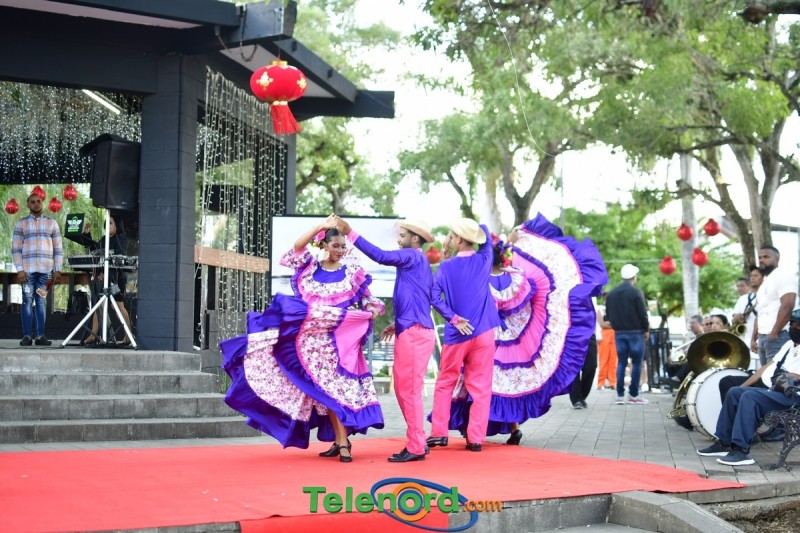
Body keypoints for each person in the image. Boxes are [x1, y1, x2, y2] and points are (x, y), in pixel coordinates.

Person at [219, 215, 384, 463]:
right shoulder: (309, 268)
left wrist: (371, 310)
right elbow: (297, 247)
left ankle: (342, 442)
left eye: (343, 246)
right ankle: (341, 442)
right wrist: (319, 227)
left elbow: (368, 299)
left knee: (333, 392)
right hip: (308, 345)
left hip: (337, 346)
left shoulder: (352, 273)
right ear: (324, 245)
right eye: (335, 245)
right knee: (323, 394)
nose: (340, 250)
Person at [436, 215, 606, 444]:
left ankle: (469, 431)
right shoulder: (515, 278)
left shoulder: (478, 277)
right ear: (503, 257)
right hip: (510, 339)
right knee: (502, 385)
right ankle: (509, 429)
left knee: (472, 381)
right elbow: (524, 302)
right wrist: (511, 239)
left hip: (482, 333)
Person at [337, 216, 436, 463]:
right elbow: (419, 298)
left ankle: (416, 446)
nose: (399, 240)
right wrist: (398, 324)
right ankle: (418, 442)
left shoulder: (411, 256)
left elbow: (380, 256)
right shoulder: (419, 261)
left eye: (402, 236)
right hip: (412, 329)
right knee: (406, 391)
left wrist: (350, 232)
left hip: (414, 333)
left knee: (408, 391)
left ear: (415, 239)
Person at [427, 218, 500, 452]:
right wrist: (474, 227)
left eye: (452, 236)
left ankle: (439, 433)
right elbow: (486, 235)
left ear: (458, 239)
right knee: (480, 386)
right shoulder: (485, 259)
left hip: (457, 334)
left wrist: (453, 318)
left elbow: (434, 297)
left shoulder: (445, 267)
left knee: (445, 381)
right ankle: (475, 439)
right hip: (484, 333)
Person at [697, 309, 800, 466]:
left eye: (798, 326)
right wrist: (742, 388)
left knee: (749, 397)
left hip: (791, 396)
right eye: (792, 325)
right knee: (735, 392)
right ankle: (724, 442)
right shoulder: (789, 345)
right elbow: (766, 368)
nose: (794, 328)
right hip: (773, 389)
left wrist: (795, 376)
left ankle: (741, 451)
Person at [11, 193, 62, 346]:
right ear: (28, 205)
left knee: (40, 301)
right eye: (32, 202)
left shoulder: (52, 223)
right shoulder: (21, 224)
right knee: (27, 300)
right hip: (27, 272)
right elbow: (16, 249)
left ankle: (40, 337)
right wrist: (20, 269)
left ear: (42, 203)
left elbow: (58, 249)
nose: (36, 204)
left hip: (45, 273)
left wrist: (57, 269)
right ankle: (27, 336)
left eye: (38, 201)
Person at [77, 215, 132, 345]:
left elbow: (118, 259)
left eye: (111, 223)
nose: (108, 226)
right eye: (106, 223)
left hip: (117, 277)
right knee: (99, 304)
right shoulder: (104, 239)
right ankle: (94, 334)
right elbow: (95, 252)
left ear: (117, 225)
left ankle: (128, 335)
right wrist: (87, 236)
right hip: (105, 277)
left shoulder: (121, 239)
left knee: (117, 306)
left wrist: (105, 272)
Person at [605, 263, 650, 405]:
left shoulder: (612, 294)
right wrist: (646, 329)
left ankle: (619, 395)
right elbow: (643, 313)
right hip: (636, 333)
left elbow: (608, 315)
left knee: (621, 363)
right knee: (637, 363)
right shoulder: (636, 292)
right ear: (634, 277)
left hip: (619, 333)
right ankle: (633, 395)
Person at [751, 246, 797, 367]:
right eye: (760, 257)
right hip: (763, 337)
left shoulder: (783, 275)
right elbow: (761, 311)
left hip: (779, 335)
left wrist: (774, 333)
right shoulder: (766, 281)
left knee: (776, 375)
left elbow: (788, 305)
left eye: (766, 257)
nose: (761, 260)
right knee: (765, 375)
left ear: (777, 258)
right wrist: (754, 337)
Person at [596, 297, 618, 390]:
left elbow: (617, 323)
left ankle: (613, 382)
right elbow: (602, 324)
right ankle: (600, 383)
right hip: (604, 336)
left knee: (614, 360)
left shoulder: (616, 309)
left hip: (615, 335)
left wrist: (609, 323)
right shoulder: (600, 310)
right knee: (603, 360)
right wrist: (611, 323)